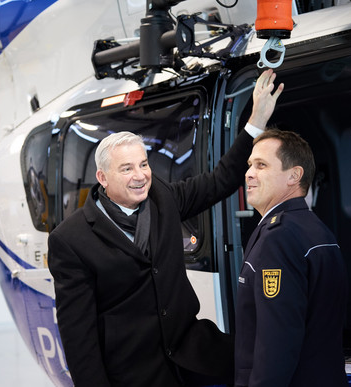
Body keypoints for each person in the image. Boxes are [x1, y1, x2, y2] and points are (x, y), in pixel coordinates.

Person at [47, 71, 282, 387]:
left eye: (143, 164)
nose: (140, 175)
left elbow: (220, 181)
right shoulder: (70, 240)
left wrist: (255, 121)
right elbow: (79, 336)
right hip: (134, 372)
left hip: (191, 352)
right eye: (127, 168)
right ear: (102, 178)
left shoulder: (163, 197)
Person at [234, 100, 348, 384]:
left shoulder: (279, 238)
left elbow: (276, 345)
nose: (249, 173)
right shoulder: (316, 231)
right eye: (250, 165)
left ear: (294, 176)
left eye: (261, 165)